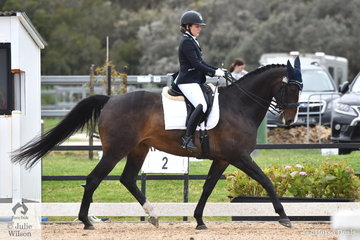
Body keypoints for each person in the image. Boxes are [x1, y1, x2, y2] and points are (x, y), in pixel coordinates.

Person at [175, 10, 225, 152]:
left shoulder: (192, 40)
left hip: (194, 81)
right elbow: (196, 64)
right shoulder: (186, 42)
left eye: (199, 26)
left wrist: (217, 69)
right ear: (187, 27)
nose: (199, 28)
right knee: (201, 105)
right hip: (187, 81)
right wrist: (214, 72)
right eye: (197, 26)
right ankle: (187, 138)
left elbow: (201, 62)